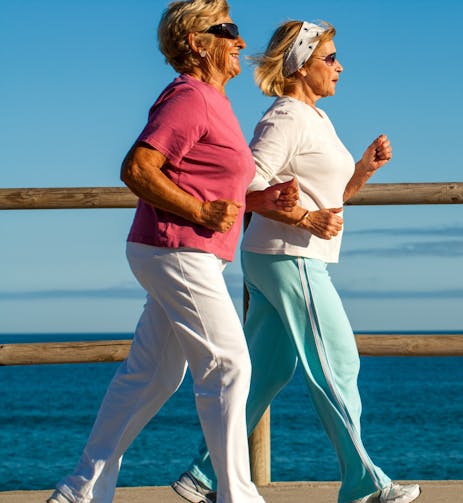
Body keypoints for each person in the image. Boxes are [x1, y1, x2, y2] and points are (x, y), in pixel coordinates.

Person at [47, 2, 299, 502]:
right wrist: (201, 214)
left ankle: (81, 489)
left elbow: (204, 183)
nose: (241, 43)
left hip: (178, 252)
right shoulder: (188, 97)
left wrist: (257, 200)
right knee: (229, 365)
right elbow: (138, 168)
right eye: (228, 30)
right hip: (177, 249)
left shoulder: (212, 101)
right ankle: (238, 495)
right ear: (196, 42)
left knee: (153, 374)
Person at [171, 20, 422, 503]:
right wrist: (305, 219)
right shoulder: (285, 116)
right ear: (301, 65)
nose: (339, 66)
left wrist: (363, 170)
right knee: (338, 363)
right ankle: (362, 483)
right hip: (288, 258)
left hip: (283, 257)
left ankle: (203, 474)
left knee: (268, 372)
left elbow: (327, 196)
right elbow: (243, 185)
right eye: (330, 58)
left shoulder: (316, 118)